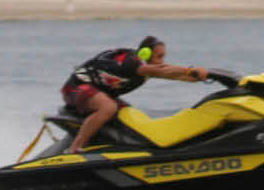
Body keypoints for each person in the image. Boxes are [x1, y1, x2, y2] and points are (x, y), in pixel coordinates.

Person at [62, 35, 211, 154]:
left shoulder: (146, 68)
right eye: (159, 56)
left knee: (130, 115)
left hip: (98, 92)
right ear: (145, 54)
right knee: (108, 108)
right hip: (75, 88)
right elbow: (163, 70)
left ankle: (119, 147)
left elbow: (175, 75)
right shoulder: (133, 63)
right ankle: (74, 148)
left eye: (163, 56)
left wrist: (206, 76)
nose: (162, 61)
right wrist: (190, 70)